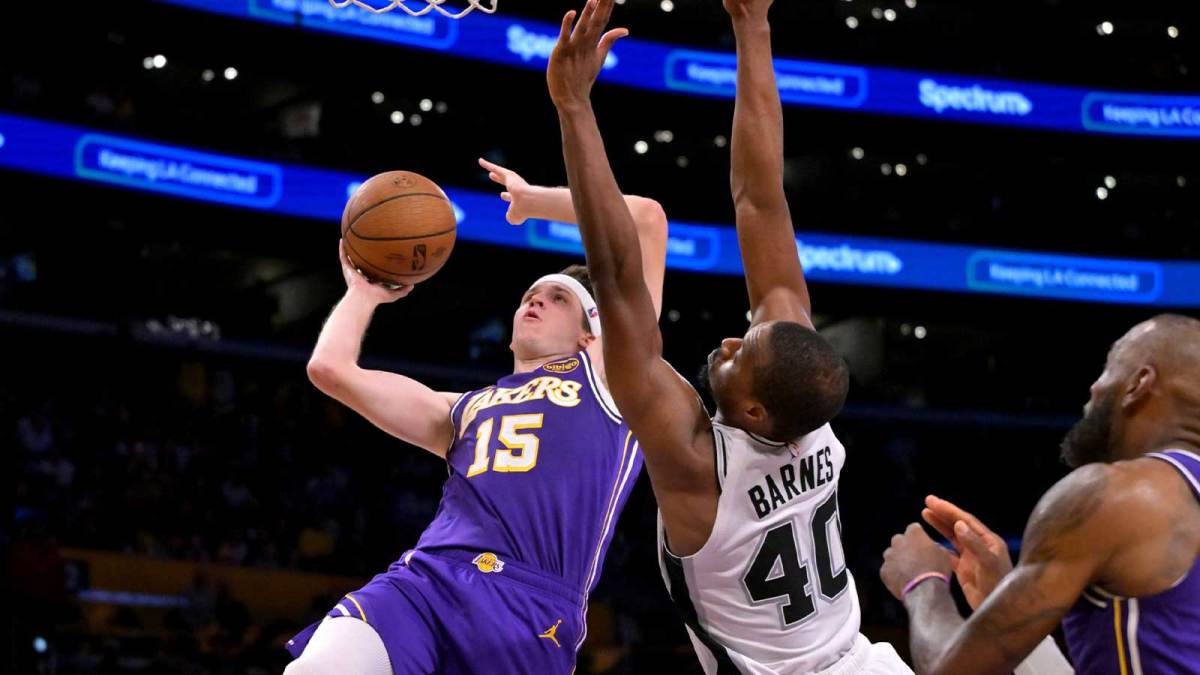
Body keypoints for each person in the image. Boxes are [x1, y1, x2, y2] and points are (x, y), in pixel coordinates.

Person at [546, 0, 909, 671]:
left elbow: (618, 277)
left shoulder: (698, 464)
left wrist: (573, 108)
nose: (732, 342)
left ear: (755, 411)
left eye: (743, 356)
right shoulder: (804, 403)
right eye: (750, 337)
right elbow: (761, 200)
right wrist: (754, 24)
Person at [283, 161, 668, 674]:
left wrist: (534, 202)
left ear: (589, 333)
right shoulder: (460, 408)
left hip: (527, 605)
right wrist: (363, 293)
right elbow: (330, 369)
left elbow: (646, 220)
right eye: (530, 295)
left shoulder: (611, 376)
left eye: (557, 298)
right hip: (427, 580)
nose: (536, 301)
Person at [881, 314, 1200, 675]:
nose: (1094, 388)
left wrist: (922, 582)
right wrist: (1002, 595)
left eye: (1108, 369)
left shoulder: (1115, 496)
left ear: (1138, 383)